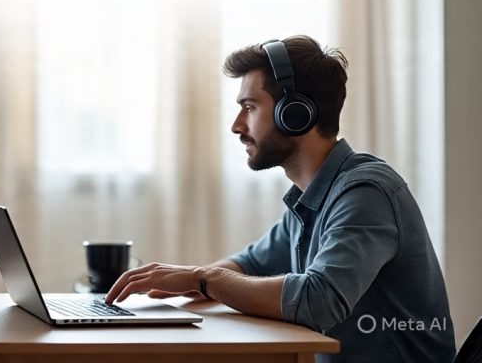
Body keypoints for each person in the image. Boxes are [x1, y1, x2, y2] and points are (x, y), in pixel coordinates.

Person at [104, 36, 456, 363]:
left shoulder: (365, 193)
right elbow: (248, 266)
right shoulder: (312, 197)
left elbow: (319, 300)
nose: (237, 126)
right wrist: (182, 281)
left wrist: (202, 279)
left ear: (296, 113)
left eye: (250, 107)